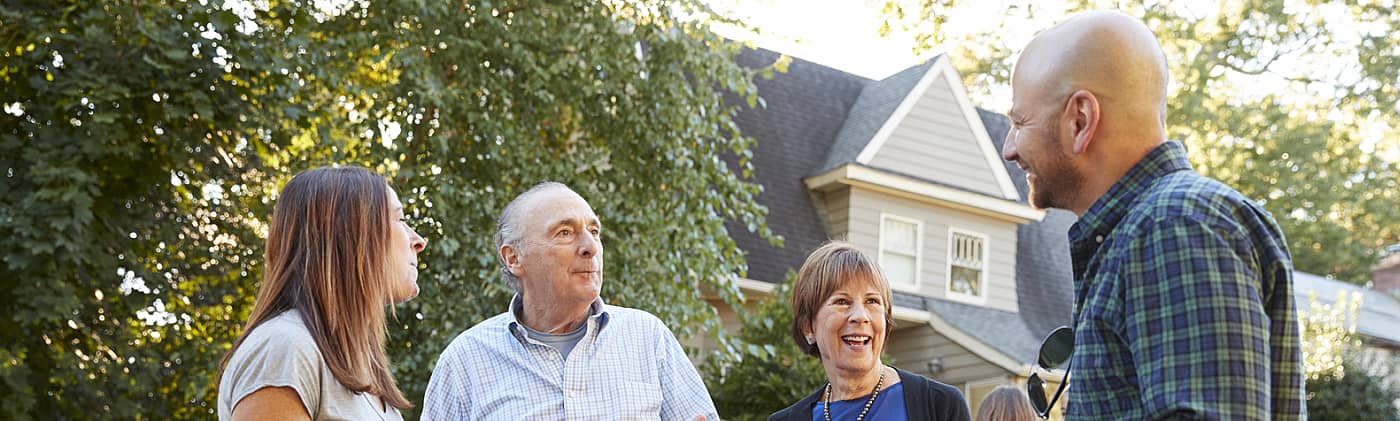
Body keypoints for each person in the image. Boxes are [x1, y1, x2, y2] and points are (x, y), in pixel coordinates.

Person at [1001, 10, 1305, 419]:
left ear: (1080, 120)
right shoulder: (1149, 231)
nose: (1010, 149)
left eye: (1020, 122)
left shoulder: (1172, 226)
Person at [421, 182, 717, 420]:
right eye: (565, 232)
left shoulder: (648, 338)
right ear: (514, 258)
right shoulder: (464, 362)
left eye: (594, 231)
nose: (590, 247)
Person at [217, 166, 428, 420]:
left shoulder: (360, 370)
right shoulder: (285, 349)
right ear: (351, 236)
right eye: (399, 220)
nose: (417, 240)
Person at [769, 241, 971, 421]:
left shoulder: (939, 406)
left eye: (872, 301)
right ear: (808, 327)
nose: (861, 316)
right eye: (842, 301)